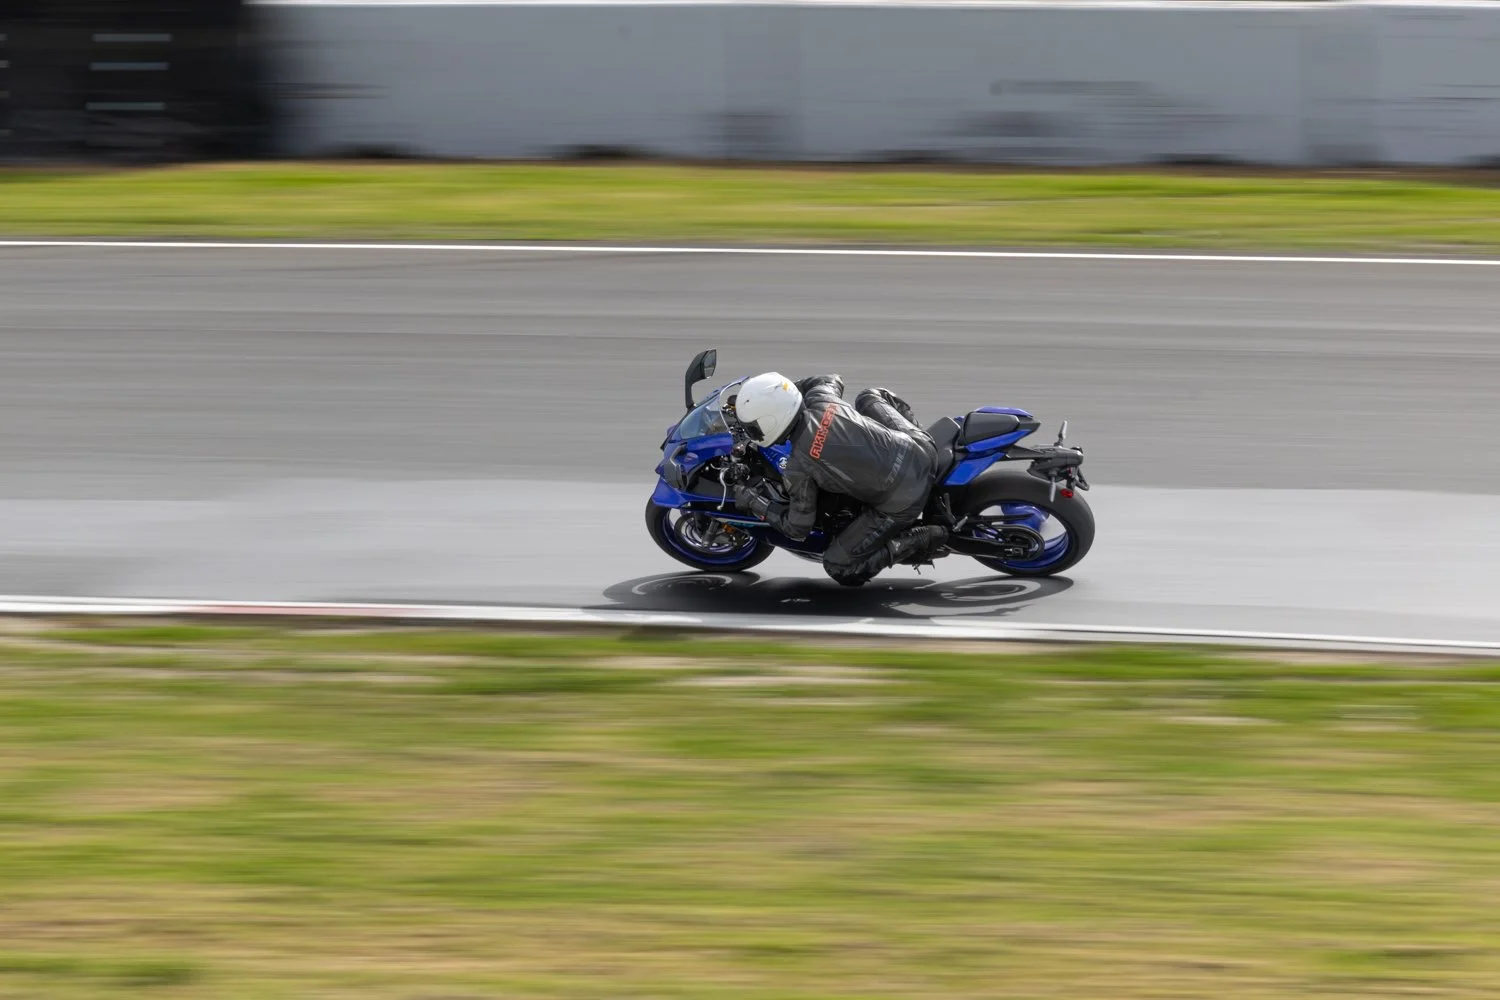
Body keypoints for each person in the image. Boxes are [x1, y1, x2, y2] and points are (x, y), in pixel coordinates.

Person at [729, 372, 948, 586]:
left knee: (838, 566)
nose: (752, 432)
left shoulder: (798, 468)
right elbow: (831, 379)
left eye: (753, 427)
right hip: (921, 448)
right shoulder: (821, 397)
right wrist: (784, 394)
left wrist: (755, 502)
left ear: (771, 421)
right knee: (869, 396)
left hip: (903, 501)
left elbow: (797, 528)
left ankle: (916, 539)